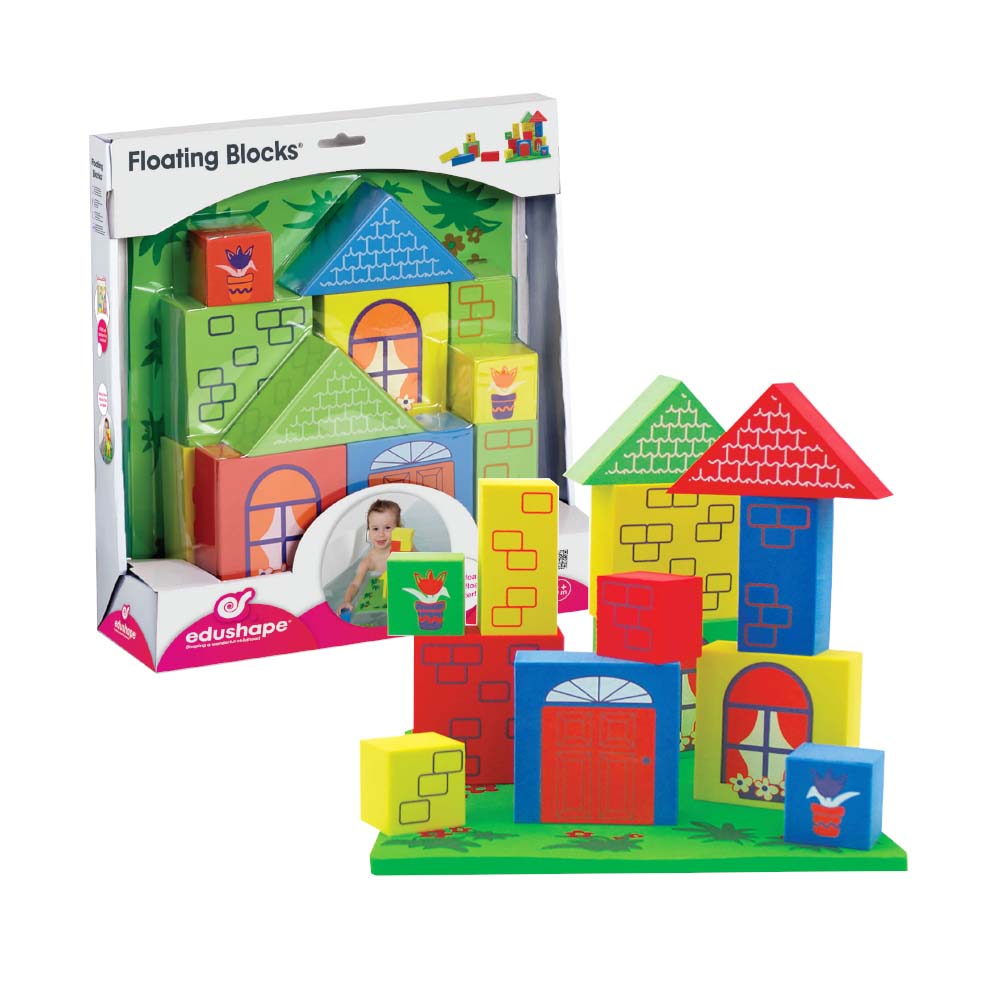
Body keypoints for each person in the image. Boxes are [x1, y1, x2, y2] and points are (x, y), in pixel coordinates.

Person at [337, 499, 402, 616]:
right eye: (375, 529)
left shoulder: (405, 548)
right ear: (369, 531)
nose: (381, 534)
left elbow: (421, 564)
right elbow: (355, 584)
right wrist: (347, 601)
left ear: (398, 529)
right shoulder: (369, 561)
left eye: (387, 528)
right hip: (379, 600)